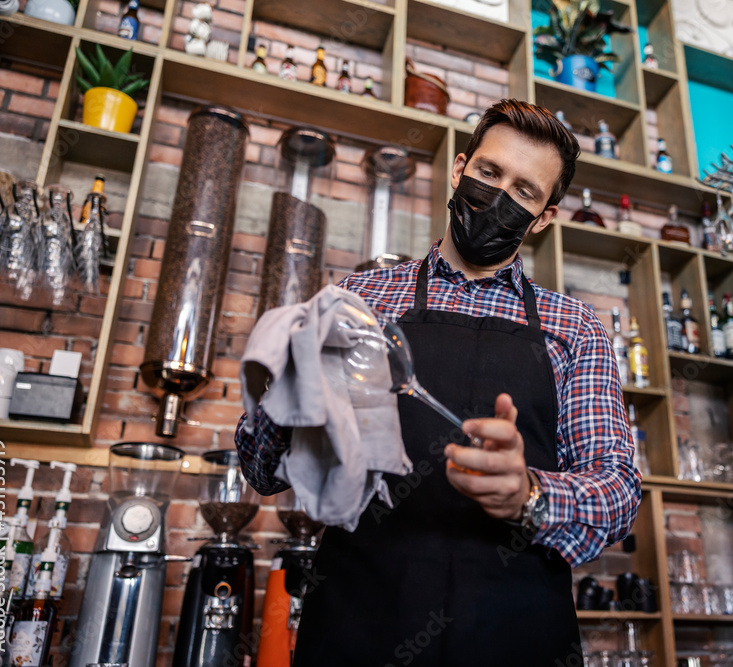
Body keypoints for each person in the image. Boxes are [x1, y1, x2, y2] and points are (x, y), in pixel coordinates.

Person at [235, 99, 642, 666]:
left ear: (544, 217)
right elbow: (261, 472)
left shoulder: (575, 328)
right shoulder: (364, 300)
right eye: (489, 173)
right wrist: (282, 392)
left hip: (516, 635)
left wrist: (531, 496)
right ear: (459, 170)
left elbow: (620, 491)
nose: (498, 197)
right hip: (359, 626)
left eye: (524, 192)